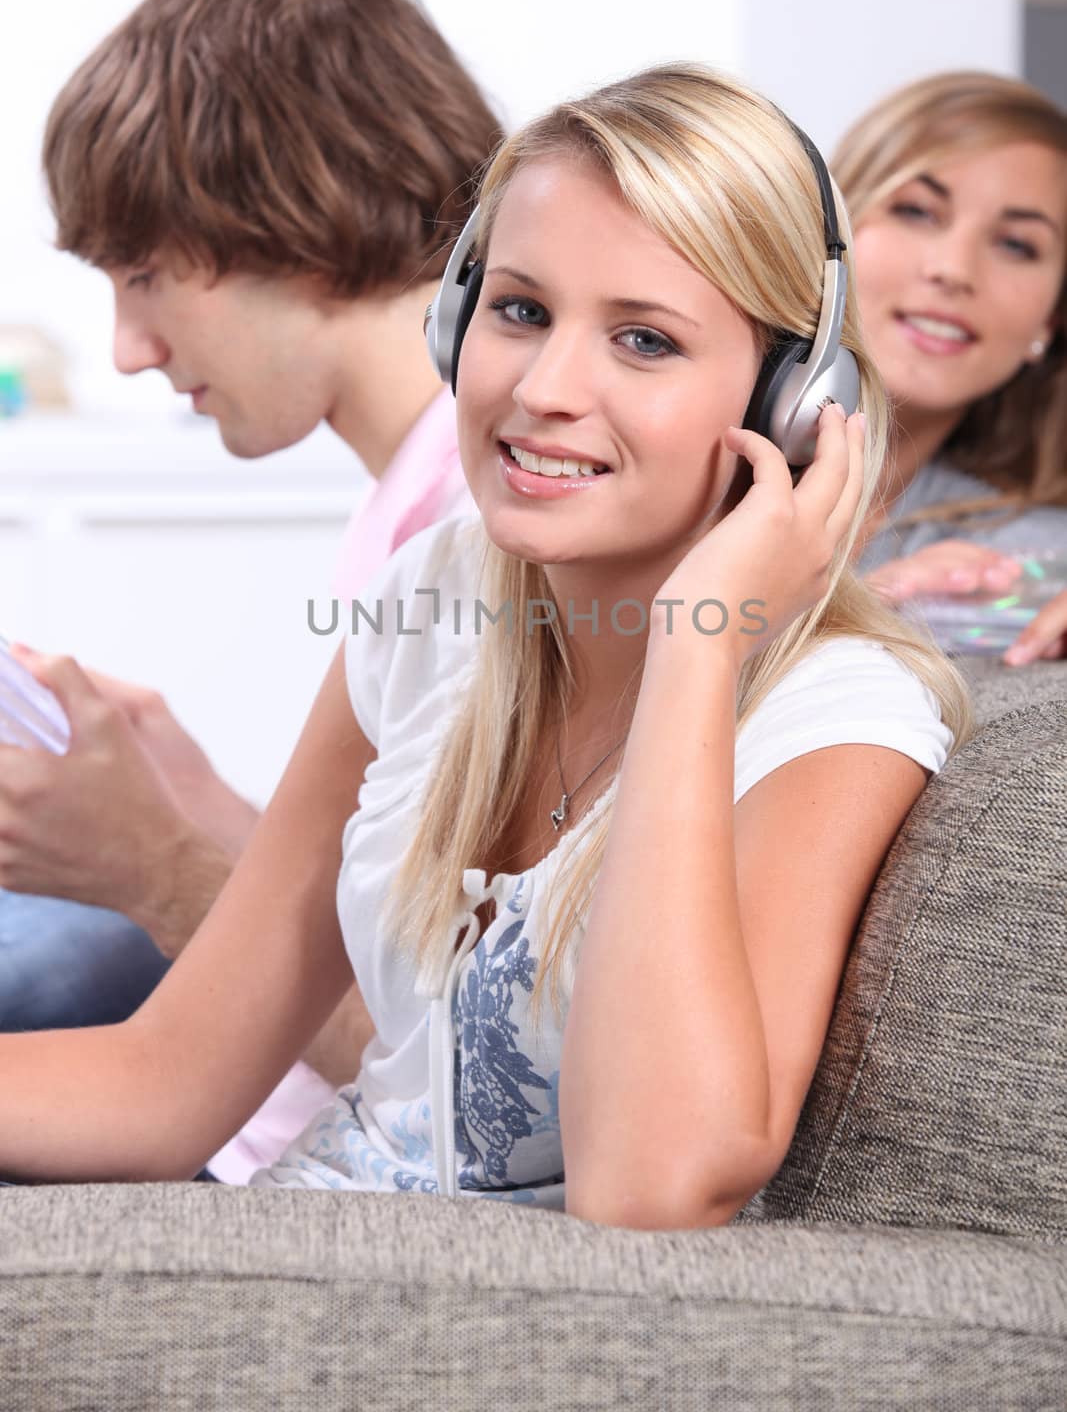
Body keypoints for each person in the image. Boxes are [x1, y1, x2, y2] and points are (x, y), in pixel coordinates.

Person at [0, 65, 972, 1227]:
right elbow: (163, 1085)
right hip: (283, 1252)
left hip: (481, 1328)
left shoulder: (838, 717)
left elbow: (649, 1192)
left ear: (789, 404)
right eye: (518, 310)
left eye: (644, 340)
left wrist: (693, 650)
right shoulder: (437, 597)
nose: (544, 387)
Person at [0, 0, 500, 1180]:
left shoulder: (485, 524)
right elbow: (366, 908)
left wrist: (157, 866)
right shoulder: (408, 507)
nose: (126, 348)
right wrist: (201, 806)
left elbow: (455, 1064)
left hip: (265, 1143)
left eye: (145, 273)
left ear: (294, 216)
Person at [837, 72, 1067, 664]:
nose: (953, 268)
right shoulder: (679, 446)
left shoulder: (1024, 559)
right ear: (834, 230)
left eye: (1016, 244)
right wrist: (863, 611)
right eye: (917, 210)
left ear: (1051, 319)